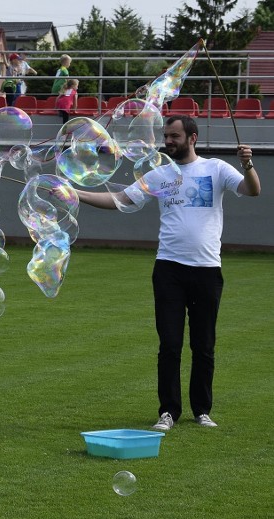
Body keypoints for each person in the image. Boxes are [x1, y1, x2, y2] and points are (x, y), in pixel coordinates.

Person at [74, 115, 261, 431]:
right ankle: (168, 412)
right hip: (168, 270)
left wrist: (248, 165)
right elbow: (120, 199)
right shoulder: (159, 175)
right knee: (170, 345)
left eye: (174, 136)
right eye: (166, 136)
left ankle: (202, 410)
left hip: (206, 269)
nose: (168, 141)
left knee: (203, 345)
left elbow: (252, 189)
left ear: (193, 138)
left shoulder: (215, 169)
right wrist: (75, 194)